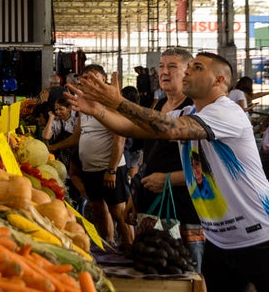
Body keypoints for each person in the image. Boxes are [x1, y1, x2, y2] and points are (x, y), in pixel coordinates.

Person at [68, 52, 269, 291]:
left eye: (197, 67)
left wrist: (117, 102)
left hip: (259, 235)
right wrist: (97, 111)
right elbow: (134, 127)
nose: (187, 72)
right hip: (220, 240)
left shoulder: (226, 111)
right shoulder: (188, 113)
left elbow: (169, 129)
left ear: (219, 81)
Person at [48, 64, 134, 249]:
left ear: (104, 81)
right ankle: (108, 246)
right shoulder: (83, 106)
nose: (90, 82)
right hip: (91, 169)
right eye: (86, 79)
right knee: (98, 209)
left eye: (95, 78)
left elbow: (119, 139)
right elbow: (77, 136)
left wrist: (111, 170)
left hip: (111, 169)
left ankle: (131, 247)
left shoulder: (111, 105)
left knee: (118, 212)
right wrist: (52, 147)